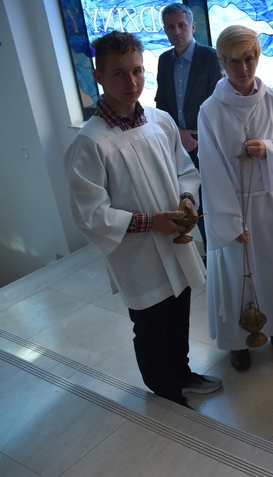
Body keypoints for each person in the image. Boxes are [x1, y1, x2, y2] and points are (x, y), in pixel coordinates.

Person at [64, 31, 222, 408]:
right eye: (119, 73)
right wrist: (152, 222)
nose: (132, 82)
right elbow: (90, 214)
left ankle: (182, 373)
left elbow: (186, 170)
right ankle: (164, 390)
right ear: (99, 76)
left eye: (137, 71)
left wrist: (186, 199)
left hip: (175, 241)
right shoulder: (90, 142)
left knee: (179, 312)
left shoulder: (160, 121)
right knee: (151, 324)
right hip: (137, 254)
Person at [197, 25, 273, 372]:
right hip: (232, 205)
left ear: (257, 58)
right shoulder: (211, 110)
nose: (243, 69)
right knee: (236, 273)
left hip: (271, 202)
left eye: (249, 59)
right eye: (234, 61)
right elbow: (211, 172)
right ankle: (237, 341)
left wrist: (271, 150)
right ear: (221, 61)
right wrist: (230, 222)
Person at [155, 3, 222, 252]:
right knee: (189, 199)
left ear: (192, 26)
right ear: (165, 30)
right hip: (177, 143)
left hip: (208, 142)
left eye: (182, 25)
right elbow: (161, 103)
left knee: (212, 202)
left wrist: (197, 135)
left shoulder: (210, 57)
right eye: (171, 26)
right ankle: (205, 251)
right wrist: (177, 134)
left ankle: (218, 253)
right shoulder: (164, 60)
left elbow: (219, 103)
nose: (177, 31)